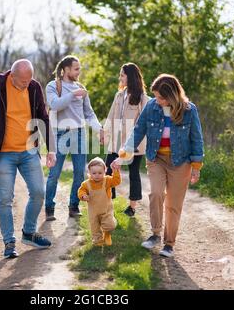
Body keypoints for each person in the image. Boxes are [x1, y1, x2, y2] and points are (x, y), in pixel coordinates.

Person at [112, 74, 204, 258]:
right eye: (156, 96)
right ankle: (155, 234)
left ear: (173, 95)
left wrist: (196, 166)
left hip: (181, 162)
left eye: (161, 97)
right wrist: (121, 157)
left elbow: (196, 138)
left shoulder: (189, 110)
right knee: (155, 193)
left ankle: (169, 244)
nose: (158, 101)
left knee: (173, 204)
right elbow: (137, 132)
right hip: (156, 159)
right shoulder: (151, 106)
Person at [0, 59, 57, 259]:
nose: (26, 84)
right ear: (12, 76)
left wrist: (51, 149)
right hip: (3, 153)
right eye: (22, 81)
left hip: (29, 150)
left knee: (39, 192)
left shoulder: (34, 87)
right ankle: (9, 242)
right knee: (5, 199)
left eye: (29, 80)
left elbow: (44, 118)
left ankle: (29, 233)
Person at [45, 55, 103, 221]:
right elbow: (55, 104)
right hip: (59, 133)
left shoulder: (81, 88)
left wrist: (99, 129)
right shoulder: (53, 86)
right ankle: (49, 208)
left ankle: (73, 205)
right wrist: (72, 95)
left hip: (79, 132)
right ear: (66, 70)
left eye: (79, 68)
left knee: (79, 173)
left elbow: (89, 113)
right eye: (76, 69)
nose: (79, 72)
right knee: (54, 174)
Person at [102, 63, 149, 218]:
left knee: (133, 172)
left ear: (131, 76)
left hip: (134, 143)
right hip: (116, 141)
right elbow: (110, 116)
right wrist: (105, 133)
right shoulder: (119, 95)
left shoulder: (143, 98)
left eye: (122, 74)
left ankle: (132, 207)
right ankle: (108, 202)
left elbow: (144, 122)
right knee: (109, 169)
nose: (120, 77)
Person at [78, 157, 121, 246]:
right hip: (93, 211)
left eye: (100, 173)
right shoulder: (86, 184)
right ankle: (97, 240)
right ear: (89, 173)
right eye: (94, 173)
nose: (97, 175)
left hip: (106, 209)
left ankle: (107, 234)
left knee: (110, 225)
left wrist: (115, 171)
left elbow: (116, 181)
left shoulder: (107, 180)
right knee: (95, 227)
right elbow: (81, 191)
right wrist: (83, 195)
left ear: (105, 171)